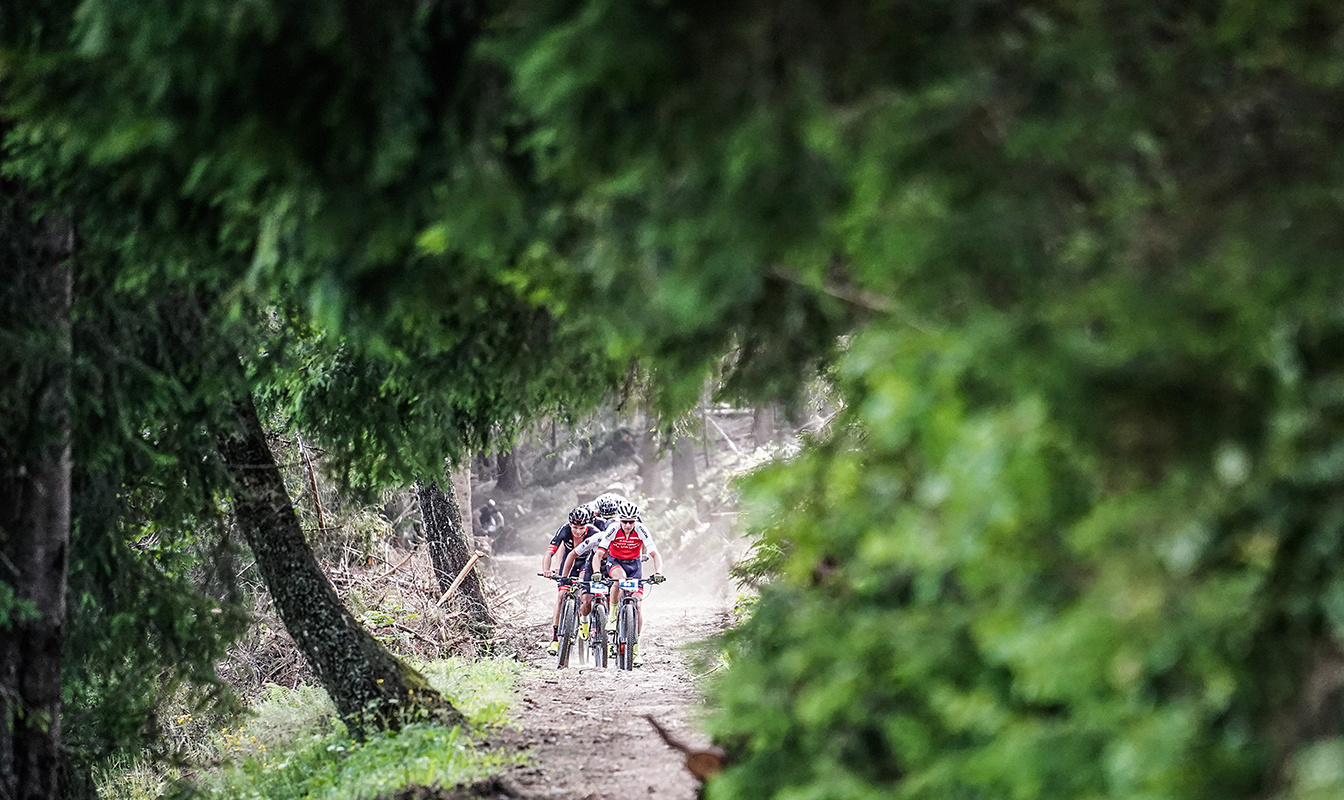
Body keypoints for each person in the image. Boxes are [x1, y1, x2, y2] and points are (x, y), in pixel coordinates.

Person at [572, 499, 662, 666]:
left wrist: (658, 573)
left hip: (634, 565)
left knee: (638, 606)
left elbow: (655, 554)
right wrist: (597, 572)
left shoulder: (641, 529)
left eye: (631, 522)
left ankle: (635, 649)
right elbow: (598, 554)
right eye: (625, 522)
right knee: (619, 581)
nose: (628, 525)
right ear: (619, 520)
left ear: (635, 520)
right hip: (616, 562)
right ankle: (612, 616)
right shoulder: (613, 528)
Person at [541, 505, 603, 655]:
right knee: (561, 596)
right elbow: (550, 552)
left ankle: (584, 620)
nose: (578, 531)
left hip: (586, 563)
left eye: (582, 528)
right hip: (569, 562)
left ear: (587, 526)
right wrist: (547, 570)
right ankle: (555, 639)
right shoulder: (564, 530)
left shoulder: (594, 533)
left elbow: (601, 554)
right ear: (570, 524)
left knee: (584, 591)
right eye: (575, 527)